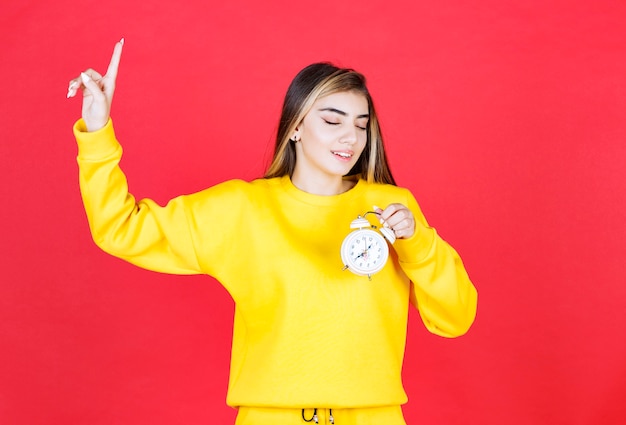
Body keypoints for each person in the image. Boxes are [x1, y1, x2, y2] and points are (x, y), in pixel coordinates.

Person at [67, 39, 477, 425]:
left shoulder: (391, 207)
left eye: (361, 124)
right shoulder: (242, 209)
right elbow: (120, 228)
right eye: (332, 119)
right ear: (295, 127)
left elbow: (456, 317)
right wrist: (98, 132)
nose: (350, 137)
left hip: (374, 414)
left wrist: (418, 243)